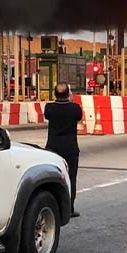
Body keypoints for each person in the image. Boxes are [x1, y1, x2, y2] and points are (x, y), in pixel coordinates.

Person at [44, 82, 83, 218]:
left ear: (55, 94)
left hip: (53, 147)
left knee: (51, 177)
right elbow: (78, 117)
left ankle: (52, 206)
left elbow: (47, 115)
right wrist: (71, 101)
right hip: (70, 148)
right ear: (68, 94)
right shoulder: (75, 109)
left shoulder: (49, 108)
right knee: (71, 177)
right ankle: (69, 208)